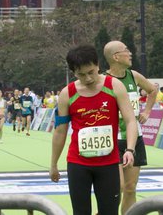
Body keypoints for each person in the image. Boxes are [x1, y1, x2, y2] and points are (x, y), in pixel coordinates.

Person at [50, 44, 138, 215]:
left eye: (91, 72)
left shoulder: (114, 86)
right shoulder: (67, 94)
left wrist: (130, 149)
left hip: (109, 163)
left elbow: (130, 120)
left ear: (98, 65)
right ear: (73, 73)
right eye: (81, 74)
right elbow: (60, 131)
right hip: (78, 164)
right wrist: (53, 164)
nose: (88, 78)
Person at [104, 40, 157, 215]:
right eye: (126, 50)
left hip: (134, 139)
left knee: (130, 187)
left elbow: (152, 90)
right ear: (116, 57)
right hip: (113, 140)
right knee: (117, 186)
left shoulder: (133, 76)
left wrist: (147, 111)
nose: (130, 53)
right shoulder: (103, 81)